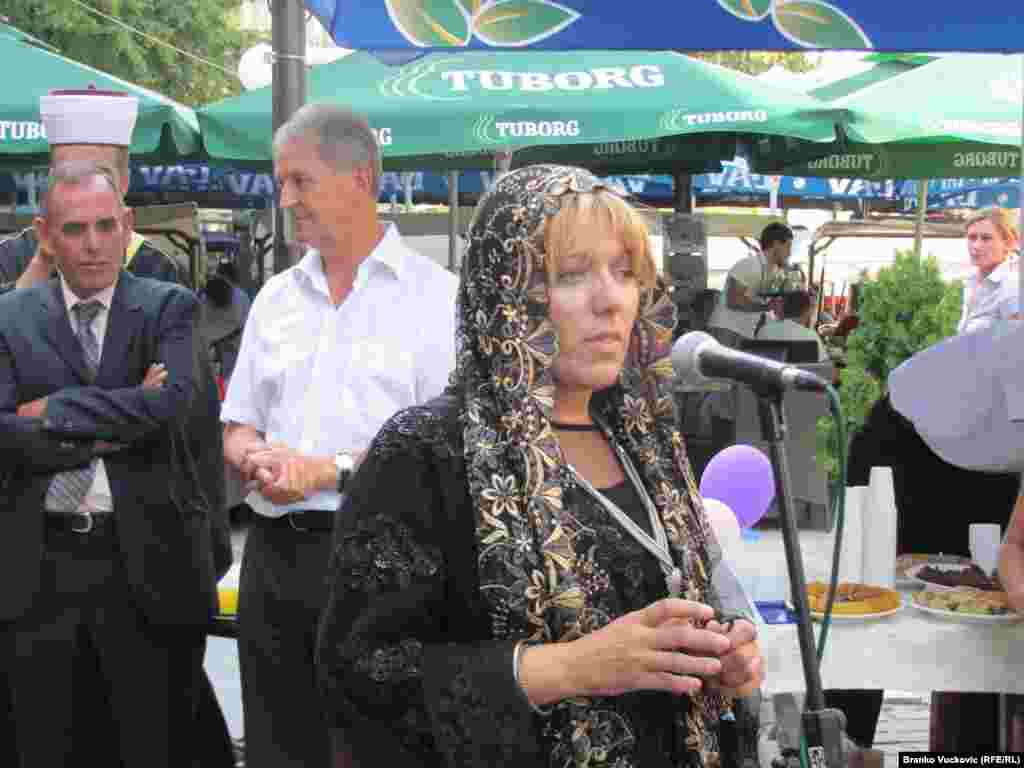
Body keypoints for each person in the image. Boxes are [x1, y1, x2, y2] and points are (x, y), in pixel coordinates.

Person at [315, 164, 763, 767]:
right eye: (572, 275)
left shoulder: (647, 442)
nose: (610, 299)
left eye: (625, 272)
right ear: (505, 293)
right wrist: (568, 667)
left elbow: (696, 596)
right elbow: (360, 671)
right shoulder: (427, 452)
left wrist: (727, 657)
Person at [0, 89, 234, 767]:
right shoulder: (13, 291)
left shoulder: (161, 285)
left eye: (106, 222)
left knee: (150, 738)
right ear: (49, 221)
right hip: (36, 565)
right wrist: (127, 404)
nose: (93, 243)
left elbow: (179, 409)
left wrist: (53, 411)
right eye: (73, 226)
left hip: (146, 561)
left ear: (124, 202)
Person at [221, 103, 458, 768]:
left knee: (377, 748)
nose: (286, 199)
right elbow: (236, 423)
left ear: (360, 179)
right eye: (282, 183)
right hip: (272, 560)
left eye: (301, 181)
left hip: (382, 562)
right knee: (278, 747)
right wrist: (254, 455)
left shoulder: (437, 301)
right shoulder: (274, 299)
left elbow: (444, 452)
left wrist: (325, 471)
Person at [707, 222, 793, 344]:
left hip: (746, 332)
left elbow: (766, 304)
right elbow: (733, 301)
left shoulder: (773, 271)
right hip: (727, 330)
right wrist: (767, 307)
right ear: (776, 244)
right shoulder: (749, 265)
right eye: (788, 246)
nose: (789, 253)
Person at [958, 206, 1019, 335]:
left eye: (986, 238)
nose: (976, 246)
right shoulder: (971, 280)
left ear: (1008, 243)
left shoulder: (1012, 287)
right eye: (972, 237)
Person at [754, 289, 830, 363]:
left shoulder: (764, 331)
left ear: (784, 307)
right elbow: (824, 367)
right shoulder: (811, 336)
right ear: (806, 311)